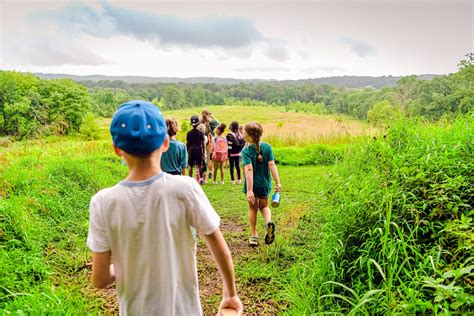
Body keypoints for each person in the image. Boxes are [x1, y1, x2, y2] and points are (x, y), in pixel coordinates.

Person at [86, 100, 243, 315]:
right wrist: (230, 294)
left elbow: (100, 278)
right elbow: (219, 247)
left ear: (116, 149)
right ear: (165, 143)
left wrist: (128, 264)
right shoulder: (186, 189)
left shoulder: (102, 202)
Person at [241, 122, 281, 247]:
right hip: (264, 184)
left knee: (253, 209)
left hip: (253, 186)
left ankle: (254, 236)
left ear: (248, 136)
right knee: (264, 207)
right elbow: (272, 165)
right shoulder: (267, 147)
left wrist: (249, 190)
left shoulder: (246, 151)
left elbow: (249, 170)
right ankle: (268, 222)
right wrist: (278, 182)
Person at [186, 115, 206, 183]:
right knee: (199, 165)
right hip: (198, 149)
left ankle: (190, 179)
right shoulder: (201, 133)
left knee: (190, 165)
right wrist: (203, 152)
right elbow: (202, 143)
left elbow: (188, 143)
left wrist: (187, 150)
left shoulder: (189, 133)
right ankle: (200, 179)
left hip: (191, 149)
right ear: (198, 123)